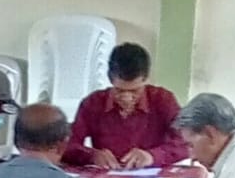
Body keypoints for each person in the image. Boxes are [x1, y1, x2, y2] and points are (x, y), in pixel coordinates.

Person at [62, 43, 188, 171]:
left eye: (135, 91)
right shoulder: (93, 103)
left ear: (145, 79)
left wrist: (152, 156)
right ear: (110, 79)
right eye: (119, 90)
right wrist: (91, 156)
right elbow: (66, 145)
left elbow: (186, 143)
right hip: (107, 176)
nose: (127, 97)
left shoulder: (163, 100)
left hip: (153, 175)